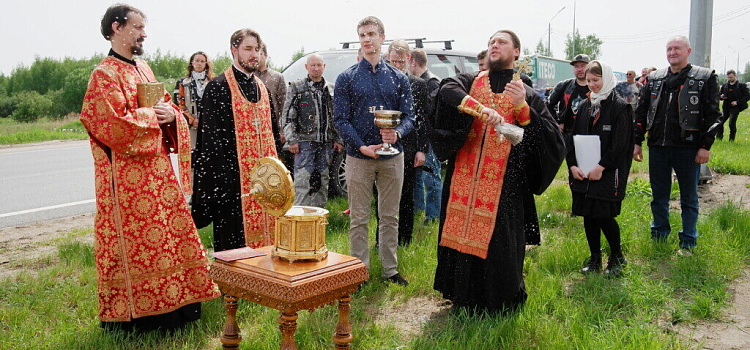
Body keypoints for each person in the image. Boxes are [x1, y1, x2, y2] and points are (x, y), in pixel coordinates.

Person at [80, 4, 219, 332]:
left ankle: (177, 309)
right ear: (117, 27)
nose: (144, 34)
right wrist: (151, 117)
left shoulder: (144, 68)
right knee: (141, 245)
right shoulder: (104, 74)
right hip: (128, 182)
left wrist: (173, 116)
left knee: (169, 241)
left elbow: (165, 106)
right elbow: (104, 122)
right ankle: (140, 319)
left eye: (144, 28)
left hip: (158, 173)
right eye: (138, 27)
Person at [431, 30, 565, 312]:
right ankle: (460, 296)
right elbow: (445, 89)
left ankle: (497, 300)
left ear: (516, 52)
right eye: (491, 42)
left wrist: (523, 109)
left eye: (501, 42)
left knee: (499, 241)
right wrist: (478, 108)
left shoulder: (525, 92)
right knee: (458, 231)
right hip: (463, 179)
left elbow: (552, 140)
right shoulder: (471, 81)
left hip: (503, 181)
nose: (494, 45)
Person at [333, 16, 415, 285]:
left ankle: (390, 269)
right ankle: (359, 270)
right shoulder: (346, 78)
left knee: (390, 215)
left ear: (382, 38)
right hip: (359, 157)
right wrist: (360, 146)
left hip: (394, 156)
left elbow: (410, 117)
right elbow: (341, 120)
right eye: (362, 35)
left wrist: (398, 132)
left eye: (371, 34)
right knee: (359, 217)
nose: (367, 39)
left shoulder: (399, 78)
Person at [633, 36, 722, 255]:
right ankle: (660, 235)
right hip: (658, 147)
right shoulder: (654, 78)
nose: (672, 52)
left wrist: (705, 146)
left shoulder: (704, 77)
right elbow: (641, 112)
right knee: (658, 195)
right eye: (669, 49)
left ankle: (688, 241)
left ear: (688, 51)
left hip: (688, 148)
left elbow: (713, 115)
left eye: (677, 48)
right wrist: (637, 142)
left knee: (689, 197)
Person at [191, 28, 278, 251]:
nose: (254, 55)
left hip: (265, 184)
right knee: (234, 249)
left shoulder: (263, 88)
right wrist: (224, 186)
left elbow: (274, 136)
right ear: (234, 50)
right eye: (247, 49)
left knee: (268, 247)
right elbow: (210, 144)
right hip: (232, 188)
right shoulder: (218, 88)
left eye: (257, 50)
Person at [565, 60, 633, 276]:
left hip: (607, 172)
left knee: (604, 215)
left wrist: (602, 166)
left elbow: (620, 145)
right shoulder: (584, 106)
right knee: (588, 215)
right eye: (589, 80)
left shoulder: (621, 107)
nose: (592, 85)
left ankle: (617, 256)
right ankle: (595, 257)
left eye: (596, 80)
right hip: (584, 173)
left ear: (607, 79)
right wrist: (573, 165)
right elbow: (573, 138)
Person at [282, 54, 343, 207]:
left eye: (319, 65)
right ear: (306, 67)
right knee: (303, 181)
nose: (316, 68)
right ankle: (301, 217)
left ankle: (319, 219)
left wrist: (339, 139)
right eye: (313, 65)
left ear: (324, 67)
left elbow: (338, 116)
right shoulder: (297, 87)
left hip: (326, 144)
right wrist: (292, 140)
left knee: (323, 181)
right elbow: (287, 116)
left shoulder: (331, 89)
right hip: (304, 144)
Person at [384, 40, 428, 244]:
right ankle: (383, 238)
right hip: (384, 145)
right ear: (387, 59)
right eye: (394, 61)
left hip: (409, 146)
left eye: (401, 61)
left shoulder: (418, 85)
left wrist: (422, 149)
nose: (397, 65)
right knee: (383, 196)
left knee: (407, 194)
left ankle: (405, 238)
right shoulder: (381, 82)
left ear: (409, 59)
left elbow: (422, 119)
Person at [409, 48, 443, 224]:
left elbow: (429, 113)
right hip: (420, 137)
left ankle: (433, 216)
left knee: (432, 176)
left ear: (413, 62)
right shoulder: (422, 81)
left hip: (429, 138)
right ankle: (419, 210)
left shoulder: (431, 83)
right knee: (419, 177)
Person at [257, 44, 291, 170]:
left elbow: (284, 106)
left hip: (272, 129)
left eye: (260, 54)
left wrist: (282, 130)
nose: (256, 57)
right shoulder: (249, 77)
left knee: (273, 164)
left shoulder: (277, 77)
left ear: (266, 56)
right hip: (253, 129)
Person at [174, 51, 214, 149]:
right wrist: (192, 120)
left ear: (206, 64)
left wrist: (206, 120)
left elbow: (215, 105)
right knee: (192, 155)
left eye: (202, 61)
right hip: (190, 126)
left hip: (208, 126)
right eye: (197, 61)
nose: (199, 63)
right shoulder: (182, 82)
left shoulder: (212, 83)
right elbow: (178, 104)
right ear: (192, 63)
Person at [547, 53, 591, 131]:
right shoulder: (564, 86)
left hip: (588, 133)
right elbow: (547, 105)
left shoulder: (595, 87)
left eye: (583, 66)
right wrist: (556, 123)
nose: (579, 69)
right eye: (576, 66)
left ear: (590, 67)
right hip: (567, 133)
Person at [717, 69, 750, 141]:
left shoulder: (741, 85)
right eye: (728, 77)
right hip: (726, 107)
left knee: (731, 123)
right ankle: (719, 138)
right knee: (719, 123)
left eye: (731, 77)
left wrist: (737, 102)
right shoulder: (725, 86)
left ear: (735, 76)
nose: (729, 79)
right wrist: (721, 97)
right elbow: (719, 94)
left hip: (735, 107)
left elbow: (747, 96)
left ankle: (731, 140)